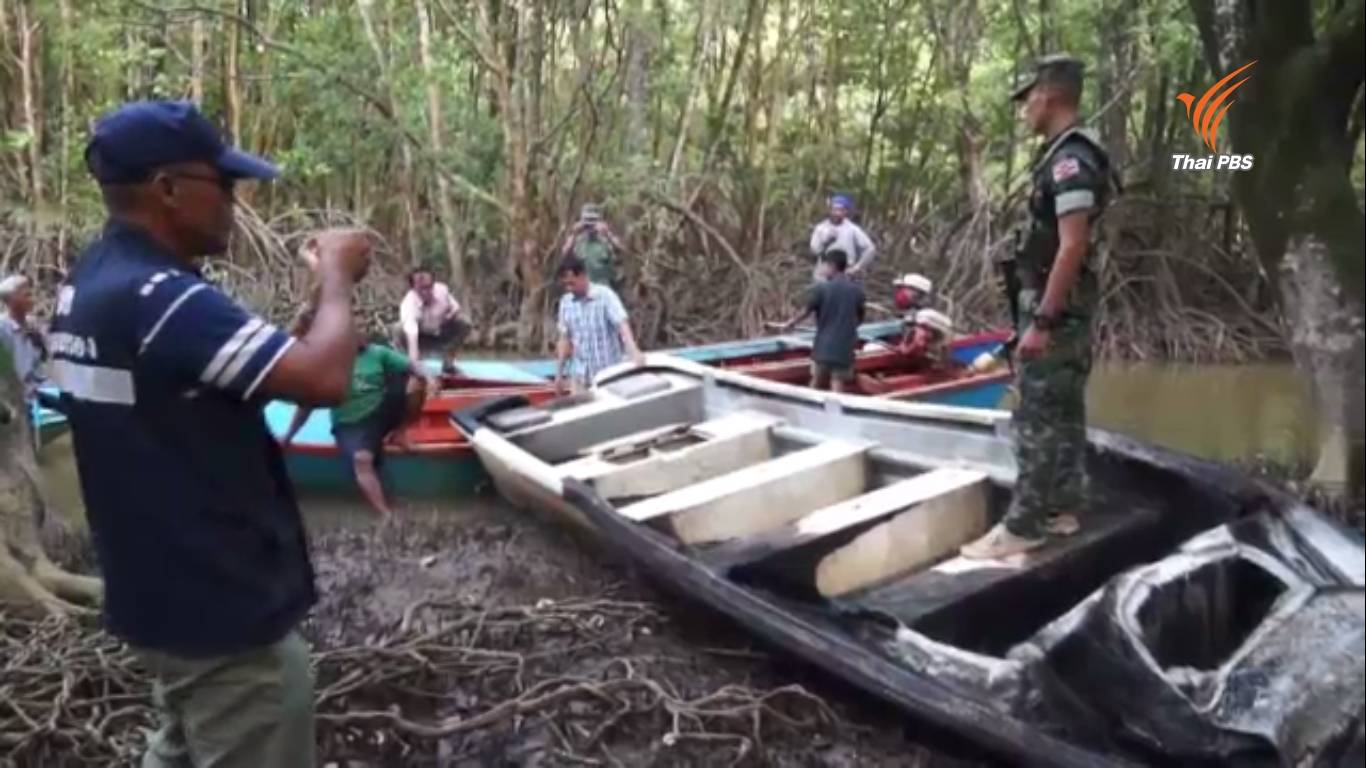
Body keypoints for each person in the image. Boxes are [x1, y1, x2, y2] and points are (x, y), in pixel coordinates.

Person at [48, 100, 372, 767]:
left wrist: (311, 305)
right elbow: (323, 379)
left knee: (181, 743)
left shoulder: (89, 286)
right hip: (221, 616)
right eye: (223, 184)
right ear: (168, 188)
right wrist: (338, 277)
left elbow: (191, 392)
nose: (233, 201)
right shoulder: (163, 298)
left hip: (159, 600)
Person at [961, 56, 1115, 560]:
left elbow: (1072, 245)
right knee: (1065, 411)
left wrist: (1042, 321)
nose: (1024, 108)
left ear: (1049, 95)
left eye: (1028, 98)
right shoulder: (1064, 155)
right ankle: (1063, 507)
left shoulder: (1070, 160)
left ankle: (1023, 525)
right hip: (1062, 306)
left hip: (1056, 310)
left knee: (1035, 416)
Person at [282, 334, 436, 519]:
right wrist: (288, 438)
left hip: (381, 409)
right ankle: (385, 514)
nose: (359, 336)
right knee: (361, 459)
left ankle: (400, 433)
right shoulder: (328, 365)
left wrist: (429, 377)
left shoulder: (377, 353)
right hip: (350, 422)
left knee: (415, 380)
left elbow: (414, 365)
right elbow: (306, 406)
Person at [554, 255, 645, 394]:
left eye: (572, 283)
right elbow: (564, 339)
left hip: (608, 375)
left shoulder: (605, 296)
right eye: (565, 284)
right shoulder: (566, 303)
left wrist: (633, 351)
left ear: (583, 276)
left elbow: (622, 324)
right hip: (580, 376)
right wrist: (559, 374)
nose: (569, 288)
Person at [781, 249, 866, 393]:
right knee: (837, 386)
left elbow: (805, 312)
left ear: (832, 266)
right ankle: (835, 415)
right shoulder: (857, 291)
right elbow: (860, 318)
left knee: (815, 385)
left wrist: (790, 324)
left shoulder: (821, 289)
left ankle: (807, 410)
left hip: (823, 349)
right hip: (844, 350)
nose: (823, 269)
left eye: (824, 265)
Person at [396, 266, 469, 372]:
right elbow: (412, 340)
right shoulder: (409, 306)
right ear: (413, 288)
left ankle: (448, 364)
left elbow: (456, 307)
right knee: (398, 329)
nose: (426, 292)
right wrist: (415, 367)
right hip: (420, 338)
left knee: (464, 322)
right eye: (421, 288)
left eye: (429, 287)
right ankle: (406, 366)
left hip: (441, 332)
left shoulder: (442, 290)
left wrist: (449, 316)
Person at [0, 275, 55, 412]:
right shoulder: (3, 329)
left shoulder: (33, 324)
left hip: (42, 388)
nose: (32, 299)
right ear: (11, 301)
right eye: (26, 295)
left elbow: (47, 357)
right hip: (21, 397)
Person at [808, 194, 876, 281]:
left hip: (845, 275)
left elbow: (870, 248)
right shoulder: (821, 228)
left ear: (846, 212)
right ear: (830, 210)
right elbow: (814, 250)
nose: (837, 213)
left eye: (841, 210)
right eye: (835, 209)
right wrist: (827, 241)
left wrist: (857, 267)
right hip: (823, 275)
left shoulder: (852, 229)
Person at [559, 203, 626, 288]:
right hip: (583, 289)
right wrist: (574, 233)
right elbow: (564, 254)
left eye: (593, 221)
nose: (590, 226)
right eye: (587, 221)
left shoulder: (605, 241)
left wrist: (608, 234)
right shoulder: (578, 242)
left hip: (603, 288)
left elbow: (621, 250)